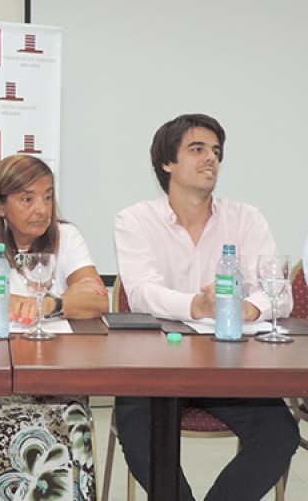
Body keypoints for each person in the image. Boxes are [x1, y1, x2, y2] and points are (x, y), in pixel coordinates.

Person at [114, 113, 298, 500]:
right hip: (155, 366)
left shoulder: (246, 219)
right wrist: (198, 304)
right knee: (141, 434)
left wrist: (248, 308)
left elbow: (279, 294)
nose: (210, 158)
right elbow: (142, 292)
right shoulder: (135, 220)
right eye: (197, 149)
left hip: (230, 366)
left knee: (279, 435)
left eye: (215, 151)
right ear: (167, 162)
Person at [0, 154, 108, 501]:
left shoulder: (67, 235)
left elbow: (97, 299)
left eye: (47, 197)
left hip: (56, 377)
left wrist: (50, 305)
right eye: (27, 199)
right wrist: (42, 301)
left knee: (71, 417)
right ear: (0, 206)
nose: (42, 209)